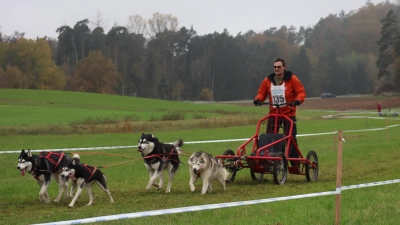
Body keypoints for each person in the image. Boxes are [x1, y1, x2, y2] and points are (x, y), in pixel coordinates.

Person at [253, 58, 306, 167]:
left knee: (290, 139)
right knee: (269, 138)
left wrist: (298, 100)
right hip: (274, 113)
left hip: (288, 114)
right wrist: (258, 99)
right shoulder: (268, 80)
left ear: (284, 67)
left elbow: (301, 91)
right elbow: (262, 93)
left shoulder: (292, 79)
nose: (276, 69)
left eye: (279, 67)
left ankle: (295, 164)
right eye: (275, 67)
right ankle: (267, 162)